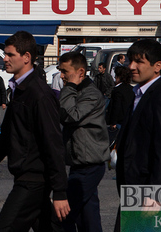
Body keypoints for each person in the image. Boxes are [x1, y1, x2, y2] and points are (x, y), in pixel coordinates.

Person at [0, 31, 70, 231]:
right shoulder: (19, 90)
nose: (4, 59)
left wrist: (60, 191)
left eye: (10, 54)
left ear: (26, 57)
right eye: (5, 54)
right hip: (28, 178)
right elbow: (7, 137)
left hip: (33, 182)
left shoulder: (39, 95)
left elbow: (53, 144)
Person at [114, 39, 161, 232]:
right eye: (130, 61)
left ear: (157, 67)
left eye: (139, 62)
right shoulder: (138, 93)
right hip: (136, 190)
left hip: (154, 195)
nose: (131, 67)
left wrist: (156, 192)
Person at [58, 52, 109, 232]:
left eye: (65, 72)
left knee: (63, 214)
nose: (62, 76)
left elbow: (72, 115)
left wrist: (69, 86)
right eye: (60, 71)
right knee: (88, 217)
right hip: (79, 163)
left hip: (90, 165)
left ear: (81, 72)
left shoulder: (91, 94)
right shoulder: (77, 91)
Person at [106, 66, 134, 131]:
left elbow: (116, 107)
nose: (115, 77)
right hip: (128, 120)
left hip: (118, 122)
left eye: (116, 75)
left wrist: (113, 122)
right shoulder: (131, 89)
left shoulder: (117, 90)